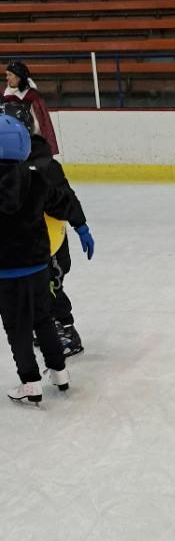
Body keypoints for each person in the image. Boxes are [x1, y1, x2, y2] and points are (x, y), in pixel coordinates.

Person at [0, 100, 94, 357]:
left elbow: (65, 200)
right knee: (36, 293)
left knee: (51, 290)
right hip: (28, 246)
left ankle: (67, 330)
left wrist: (80, 225)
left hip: (49, 245)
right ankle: (47, 327)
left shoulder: (44, 167)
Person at [0, 114, 71, 404]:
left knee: (17, 326)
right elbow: (62, 203)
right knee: (43, 318)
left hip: (6, 271)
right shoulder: (37, 178)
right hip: (38, 264)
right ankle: (59, 371)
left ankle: (30, 382)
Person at [4, 60, 59, 156]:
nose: (7, 78)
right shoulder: (4, 96)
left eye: (9, 75)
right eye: (6, 75)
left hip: (31, 142)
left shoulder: (33, 96)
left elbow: (42, 123)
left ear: (18, 77)